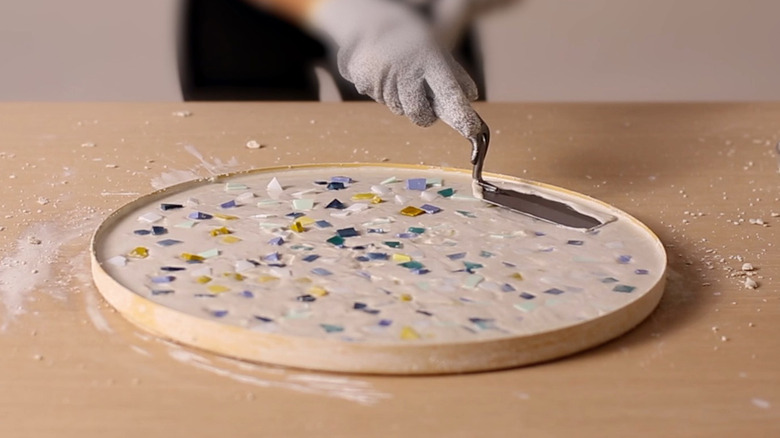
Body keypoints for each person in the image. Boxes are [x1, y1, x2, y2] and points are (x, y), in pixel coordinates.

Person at [181, 0, 506, 139]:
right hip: (250, 20)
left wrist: (457, 9)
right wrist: (342, 12)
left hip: (411, 8)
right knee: (251, 147)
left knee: (426, 149)